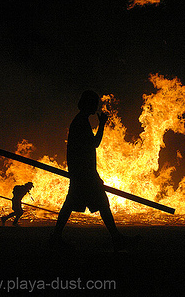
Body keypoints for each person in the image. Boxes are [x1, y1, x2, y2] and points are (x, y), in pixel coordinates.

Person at [50, 90, 140, 252]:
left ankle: (56, 238)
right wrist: (103, 124)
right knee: (97, 204)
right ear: (87, 104)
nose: (96, 106)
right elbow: (94, 144)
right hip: (84, 174)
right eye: (94, 103)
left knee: (79, 204)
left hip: (82, 173)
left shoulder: (80, 121)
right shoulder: (81, 123)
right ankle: (116, 238)